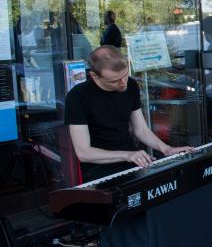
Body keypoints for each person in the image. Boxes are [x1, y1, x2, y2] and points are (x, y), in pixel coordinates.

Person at [65, 46, 193, 182]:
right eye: (114, 81)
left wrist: (166, 149)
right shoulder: (77, 96)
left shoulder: (131, 85)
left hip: (132, 161)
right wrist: (126, 155)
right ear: (94, 76)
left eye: (125, 75)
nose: (123, 83)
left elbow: (141, 129)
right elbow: (84, 152)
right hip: (98, 169)